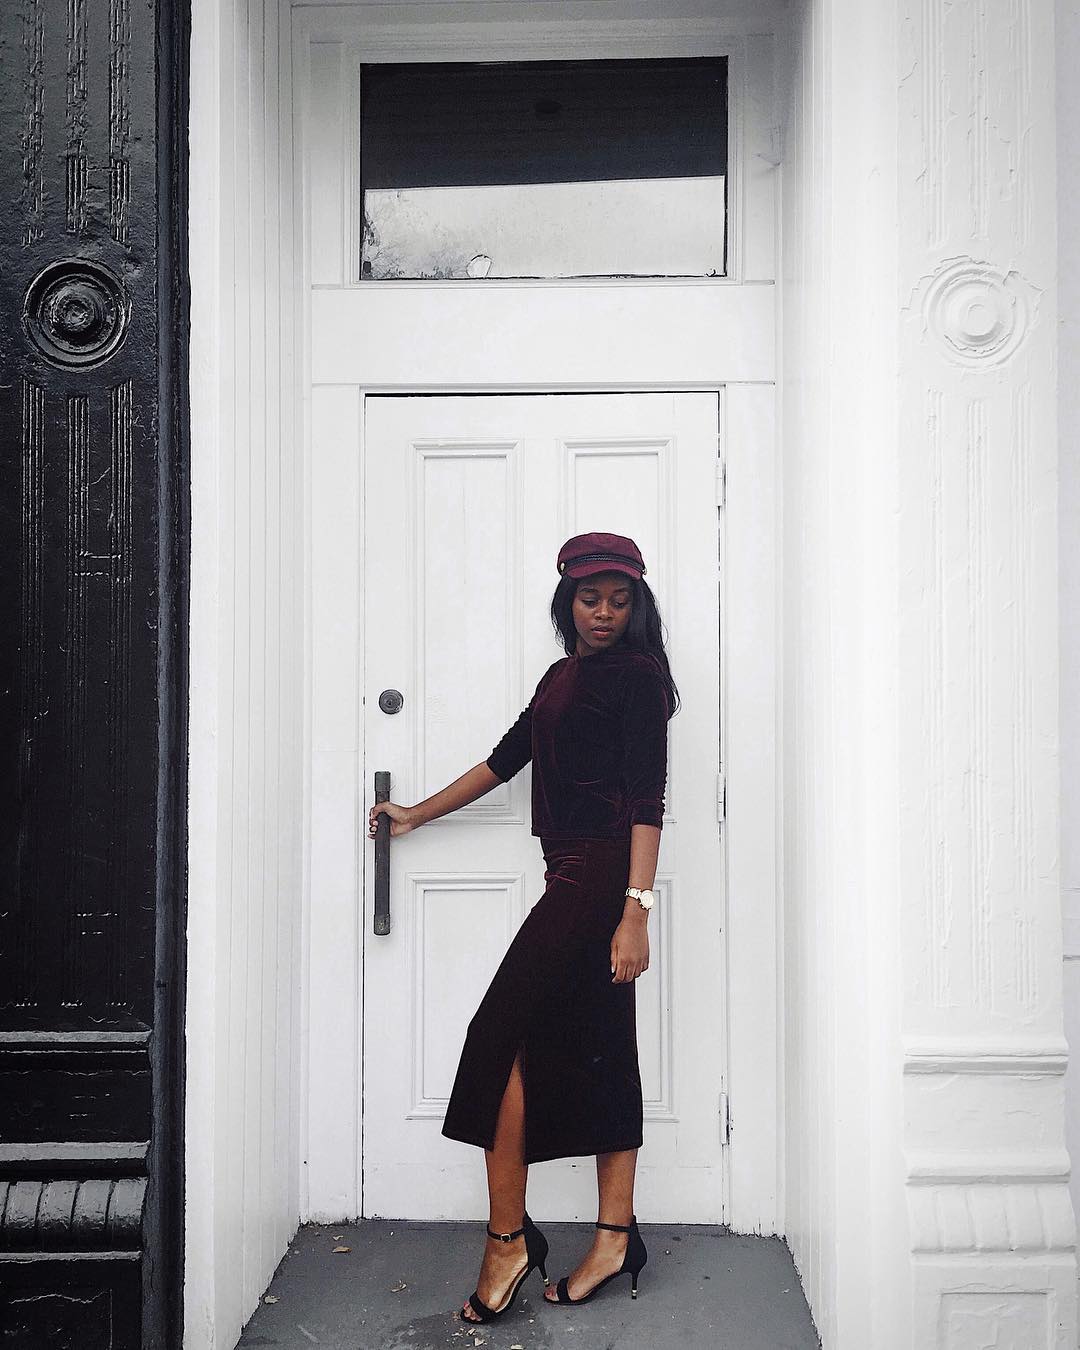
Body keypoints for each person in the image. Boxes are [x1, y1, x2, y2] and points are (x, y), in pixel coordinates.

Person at [367, 530, 678, 1325]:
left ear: (637, 604)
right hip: (569, 871)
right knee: (604, 1043)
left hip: (599, 875)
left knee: (496, 1038)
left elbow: (647, 799)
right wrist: (414, 816)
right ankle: (614, 1237)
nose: (605, 613)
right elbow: (505, 760)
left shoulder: (639, 678)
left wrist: (635, 910)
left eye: (619, 599)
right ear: (565, 599)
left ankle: (509, 1237)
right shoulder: (560, 676)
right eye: (590, 597)